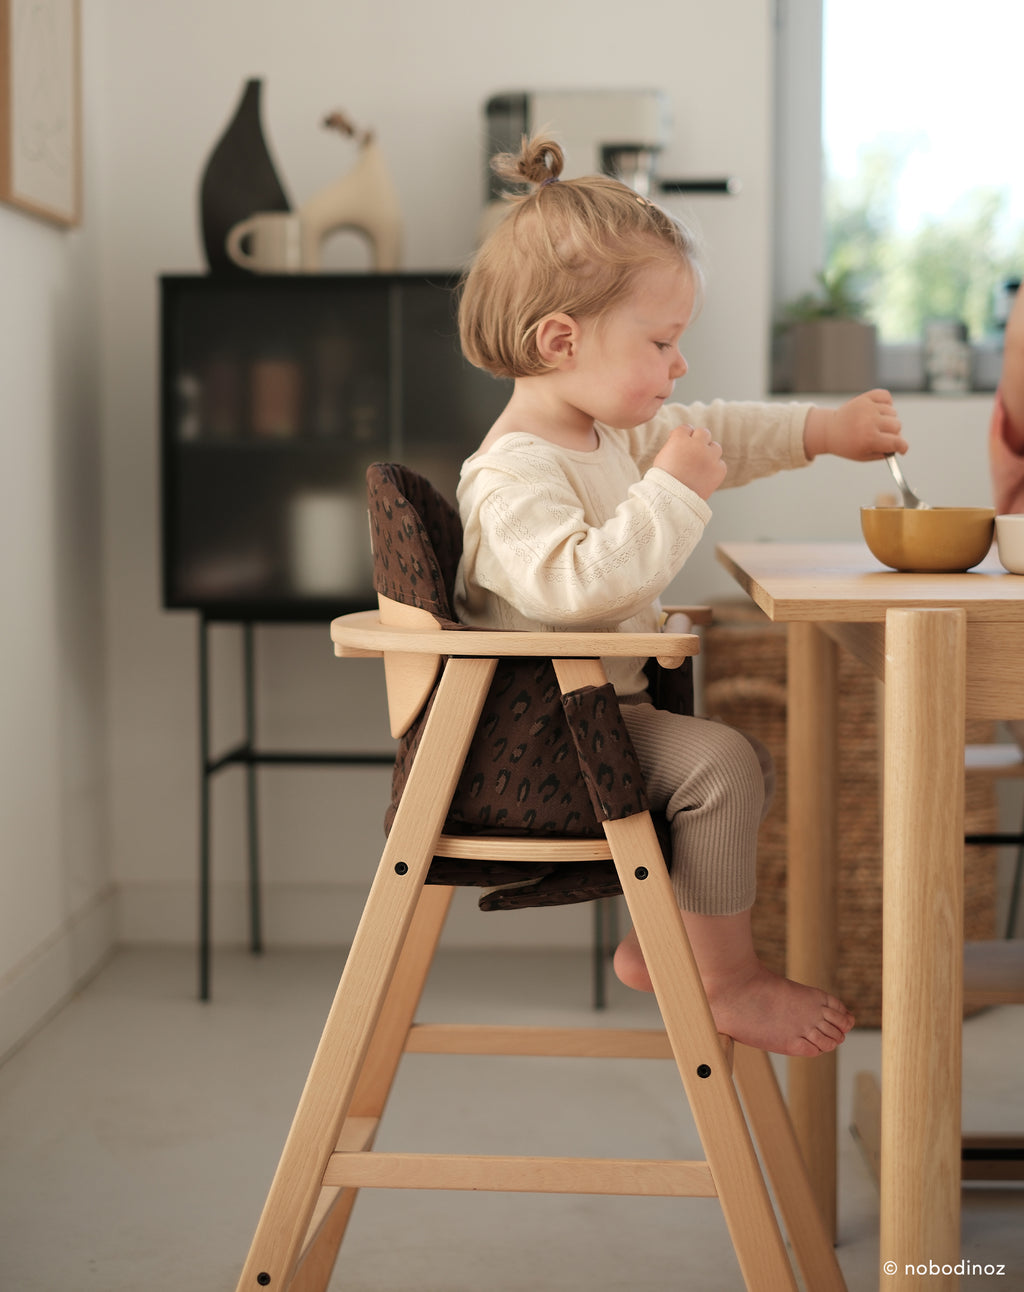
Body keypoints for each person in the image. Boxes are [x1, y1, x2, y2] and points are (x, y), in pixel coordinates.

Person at [453, 134, 906, 1057]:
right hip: (538, 735)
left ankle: (661, 947)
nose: (680, 365)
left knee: (741, 770)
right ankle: (729, 979)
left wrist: (826, 429)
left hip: (590, 710)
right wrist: (676, 490)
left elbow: (719, 428)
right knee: (722, 767)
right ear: (559, 340)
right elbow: (577, 587)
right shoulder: (512, 476)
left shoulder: (602, 434)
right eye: (662, 342)